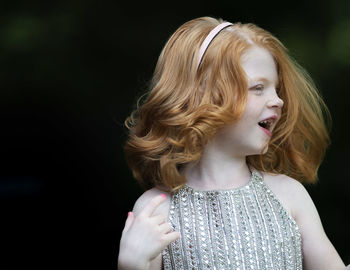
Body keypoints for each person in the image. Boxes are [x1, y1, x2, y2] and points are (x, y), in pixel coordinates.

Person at [118, 16, 349, 270]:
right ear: (204, 96)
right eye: (259, 88)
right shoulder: (158, 210)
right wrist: (131, 263)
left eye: (276, 89)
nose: (278, 101)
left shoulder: (289, 196)